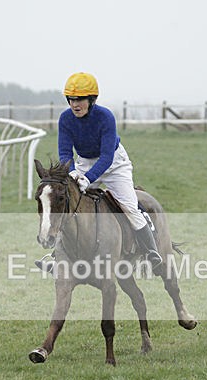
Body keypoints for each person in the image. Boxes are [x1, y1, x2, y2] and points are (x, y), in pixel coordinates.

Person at [36, 72, 162, 272]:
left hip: (114, 164)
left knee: (130, 207)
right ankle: (56, 256)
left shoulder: (105, 117)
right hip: (84, 163)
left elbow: (106, 157)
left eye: (80, 100)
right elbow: (65, 153)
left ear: (91, 100)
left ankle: (151, 252)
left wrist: (88, 179)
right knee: (69, 202)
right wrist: (74, 173)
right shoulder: (65, 118)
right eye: (71, 99)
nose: (75, 104)